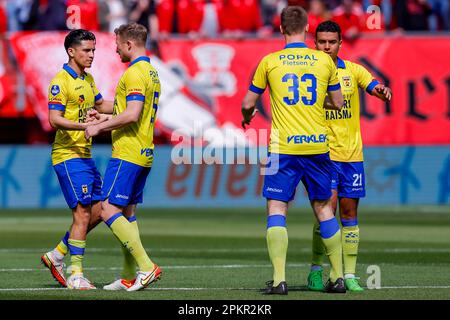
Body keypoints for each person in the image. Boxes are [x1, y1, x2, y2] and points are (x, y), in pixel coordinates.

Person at [241, 6, 346, 295]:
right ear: (308, 28)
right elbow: (338, 103)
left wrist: (247, 116)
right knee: (324, 209)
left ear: (280, 29)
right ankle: (337, 277)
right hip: (316, 145)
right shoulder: (325, 62)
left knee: (277, 208)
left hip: (282, 148)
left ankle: (279, 280)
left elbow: (249, 102)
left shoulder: (270, 61)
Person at [306, 20, 392, 292]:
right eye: (322, 41)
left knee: (349, 213)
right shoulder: (308, 75)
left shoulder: (353, 71)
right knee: (327, 212)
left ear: (340, 43)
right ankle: (317, 271)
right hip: (323, 154)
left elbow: (373, 83)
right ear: (315, 43)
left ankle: (351, 274)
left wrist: (381, 90)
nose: (327, 46)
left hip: (352, 154)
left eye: (332, 41)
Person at [84, 22, 162, 292]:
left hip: (128, 152)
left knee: (107, 210)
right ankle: (130, 275)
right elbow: (126, 111)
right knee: (127, 214)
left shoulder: (134, 73)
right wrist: (104, 116)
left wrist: (98, 127)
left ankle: (146, 266)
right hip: (144, 151)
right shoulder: (150, 72)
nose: (115, 49)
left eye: (117, 44)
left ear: (129, 44)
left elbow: (132, 115)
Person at [41, 29, 110, 290]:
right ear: (71, 51)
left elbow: (102, 105)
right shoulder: (61, 81)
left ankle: (57, 253)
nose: (92, 55)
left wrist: (132, 107)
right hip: (68, 155)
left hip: (85, 155)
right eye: (86, 50)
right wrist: (86, 127)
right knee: (82, 214)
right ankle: (76, 273)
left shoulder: (88, 79)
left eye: (93, 50)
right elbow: (54, 119)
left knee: (101, 210)